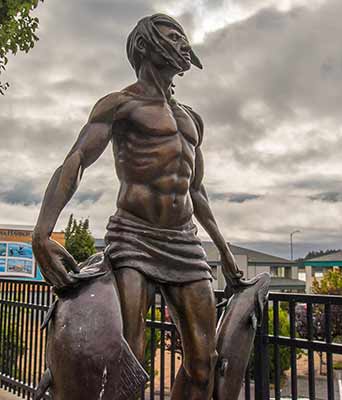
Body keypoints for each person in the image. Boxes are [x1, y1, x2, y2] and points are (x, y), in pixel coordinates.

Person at [33, 14, 244, 400]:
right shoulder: (121, 105)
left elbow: (197, 191)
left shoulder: (191, 118)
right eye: (173, 36)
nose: (184, 44)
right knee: (127, 360)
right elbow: (76, 159)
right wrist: (42, 231)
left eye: (184, 36)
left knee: (203, 362)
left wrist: (225, 252)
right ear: (145, 45)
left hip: (185, 243)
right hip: (133, 238)